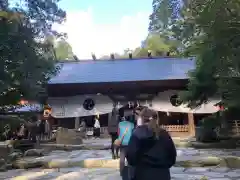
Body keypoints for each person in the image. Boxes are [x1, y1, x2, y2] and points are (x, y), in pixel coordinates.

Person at [126, 107, 177, 180]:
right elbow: (172, 156)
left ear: (141, 119)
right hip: (162, 174)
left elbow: (131, 157)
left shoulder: (137, 133)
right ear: (156, 119)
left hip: (143, 173)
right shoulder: (164, 134)